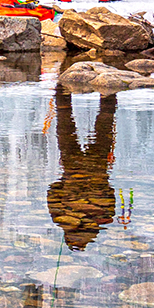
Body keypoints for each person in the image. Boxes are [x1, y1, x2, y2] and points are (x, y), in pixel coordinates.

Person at [48, 86, 117, 250]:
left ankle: (108, 92)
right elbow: (52, 192)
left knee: (104, 126)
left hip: (98, 169)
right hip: (72, 170)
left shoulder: (104, 218)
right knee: (66, 126)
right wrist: (65, 181)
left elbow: (110, 194)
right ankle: (63, 90)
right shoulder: (61, 218)